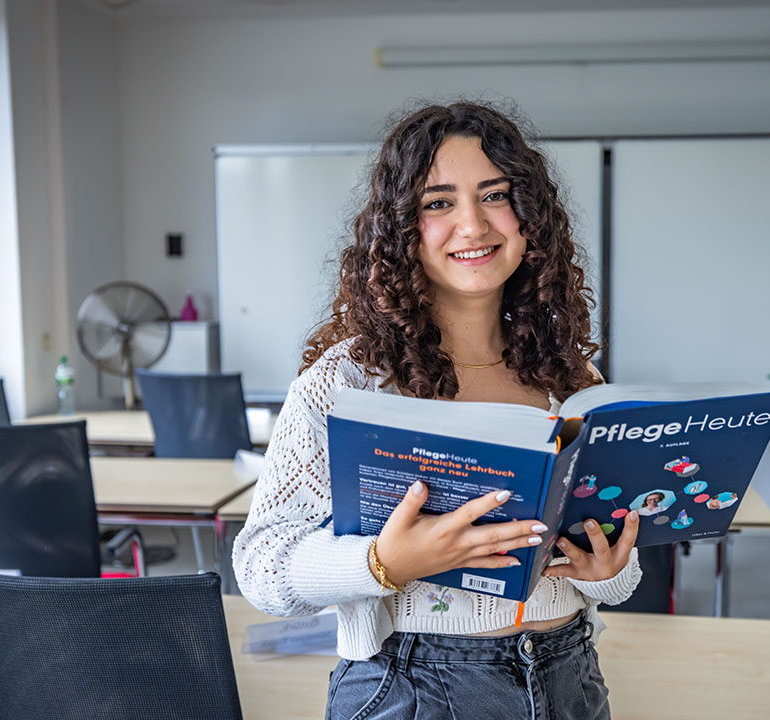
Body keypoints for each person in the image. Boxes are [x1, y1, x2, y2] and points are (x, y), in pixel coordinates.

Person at [233, 101, 642, 720]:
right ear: (401, 230)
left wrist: (607, 569)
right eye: (438, 202)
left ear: (530, 217)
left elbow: (615, 582)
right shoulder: (346, 383)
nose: (473, 225)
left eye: (495, 195)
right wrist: (384, 564)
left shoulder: (573, 381)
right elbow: (262, 566)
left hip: (569, 676)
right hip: (411, 685)